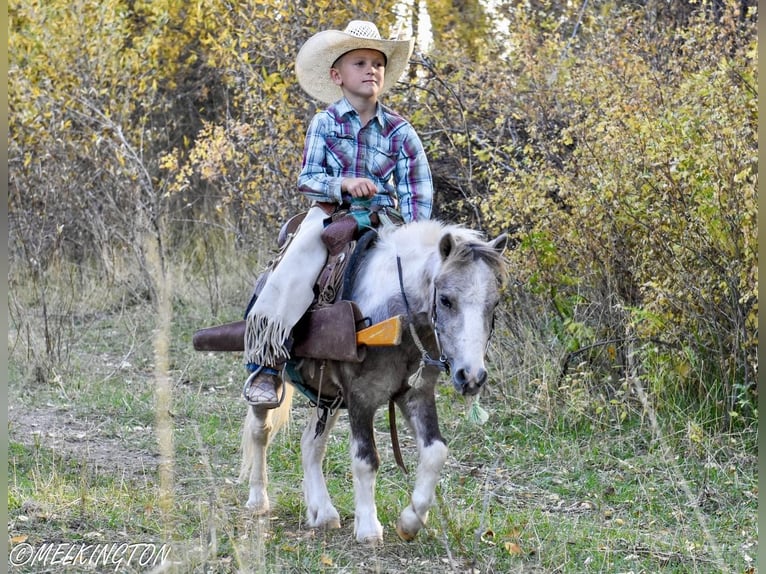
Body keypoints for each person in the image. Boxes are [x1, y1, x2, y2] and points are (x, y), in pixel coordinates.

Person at [243, 20, 434, 408]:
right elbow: (308, 178)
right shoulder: (325, 123)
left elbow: (418, 190)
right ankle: (266, 364)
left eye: (377, 64)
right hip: (331, 214)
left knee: (422, 277)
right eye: (360, 63)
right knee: (299, 261)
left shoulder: (400, 131)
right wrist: (343, 184)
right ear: (337, 75)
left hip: (383, 218)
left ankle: (428, 355)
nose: (371, 70)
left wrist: (415, 237)